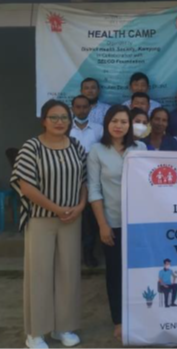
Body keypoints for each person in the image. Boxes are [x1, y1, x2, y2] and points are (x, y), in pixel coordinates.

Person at [10, 99, 87, 349]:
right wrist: (56, 209)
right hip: (41, 218)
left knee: (68, 273)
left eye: (64, 117)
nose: (59, 122)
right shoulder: (32, 147)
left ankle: (63, 327)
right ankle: (36, 332)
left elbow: (85, 180)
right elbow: (25, 185)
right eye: (53, 117)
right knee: (40, 274)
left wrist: (81, 205)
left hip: (72, 219)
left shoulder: (75, 146)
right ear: (44, 120)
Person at [88, 105, 147, 340]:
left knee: (140, 272)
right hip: (112, 222)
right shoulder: (97, 150)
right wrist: (103, 224)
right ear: (107, 124)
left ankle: (142, 317)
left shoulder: (140, 148)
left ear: (130, 125)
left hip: (139, 224)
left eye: (123, 121)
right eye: (114, 121)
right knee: (115, 273)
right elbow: (93, 189)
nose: (119, 125)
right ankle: (119, 320)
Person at [69, 95, 103, 269]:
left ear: (90, 108)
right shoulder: (66, 129)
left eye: (85, 107)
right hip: (69, 180)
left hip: (92, 180)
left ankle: (88, 254)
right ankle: (70, 256)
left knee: (89, 220)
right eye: (78, 107)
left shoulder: (98, 129)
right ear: (72, 108)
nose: (81, 110)